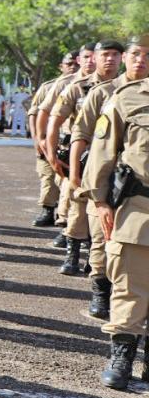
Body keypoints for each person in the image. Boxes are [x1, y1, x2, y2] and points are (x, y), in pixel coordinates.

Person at [84, 33, 149, 389]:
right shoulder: (128, 98)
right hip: (140, 208)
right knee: (129, 285)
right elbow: (102, 153)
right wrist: (100, 200)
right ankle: (122, 355)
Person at [73, 39, 142, 321]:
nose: (141, 60)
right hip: (108, 182)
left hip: (137, 190)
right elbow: (83, 133)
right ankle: (101, 290)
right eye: (135, 54)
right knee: (102, 240)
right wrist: (77, 178)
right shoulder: (105, 93)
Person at [49, 41, 123, 277]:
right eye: (104, 55)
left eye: (115, 55)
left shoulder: (128, 90)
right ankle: (73, 254)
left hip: (118, 160)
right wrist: (49, 151)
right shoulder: (79, 88)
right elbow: (59, 122)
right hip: (84, 156)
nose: (109, 59)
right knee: (78, 207)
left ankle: (97, 259)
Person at [29, 52, 78, 225]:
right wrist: (37, 138)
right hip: (48, 139)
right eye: (69, 63)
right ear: (61, 66)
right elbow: (34, 113)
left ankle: (66, 218)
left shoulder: (84, 86)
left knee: (67, 180)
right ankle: (48, 210)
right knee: (47, 177)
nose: (73, 66)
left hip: (68, 140)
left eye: (75, 63)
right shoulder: (48, 87)